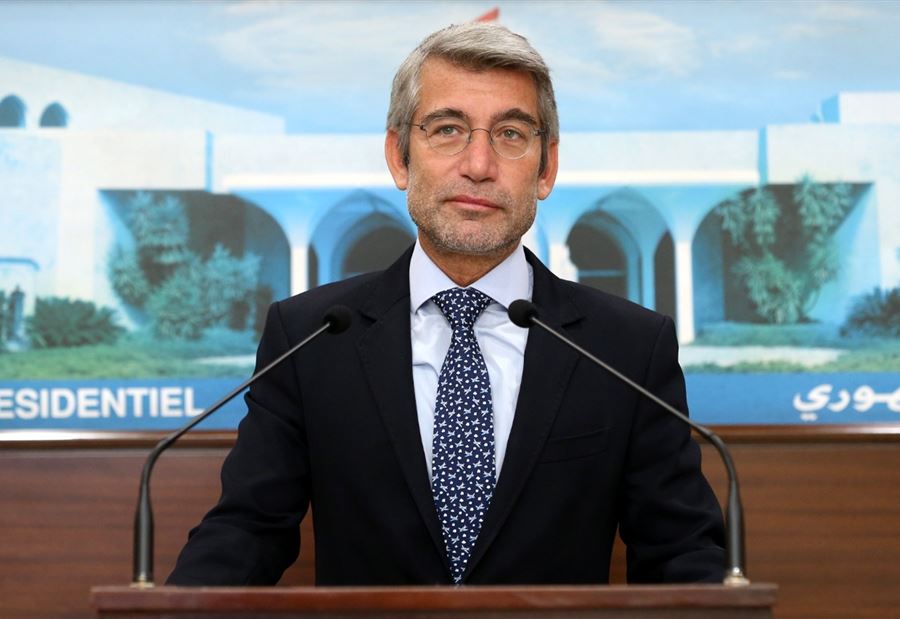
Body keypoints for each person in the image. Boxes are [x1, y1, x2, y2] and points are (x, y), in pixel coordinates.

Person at [168, 22, 725, 587]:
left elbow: (682, 552)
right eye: (448, 129)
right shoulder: (312, 336)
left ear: (546, 168)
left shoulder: (626, 348)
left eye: (511, 134)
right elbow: (247, 530)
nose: (478, 165)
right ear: (399, 156)